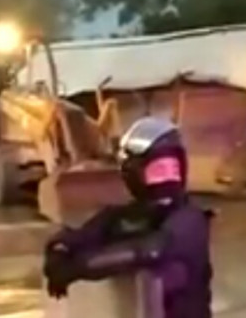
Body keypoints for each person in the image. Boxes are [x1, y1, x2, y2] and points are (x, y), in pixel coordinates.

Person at [44, 116, 213, 318]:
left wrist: (77, 267)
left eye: (174, 169)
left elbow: (150, 250)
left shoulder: (190, 219)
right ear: (134, 174)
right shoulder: (122, 217)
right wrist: (57, 252)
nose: (169, 177)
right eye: (159, 170)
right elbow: (75, 236)